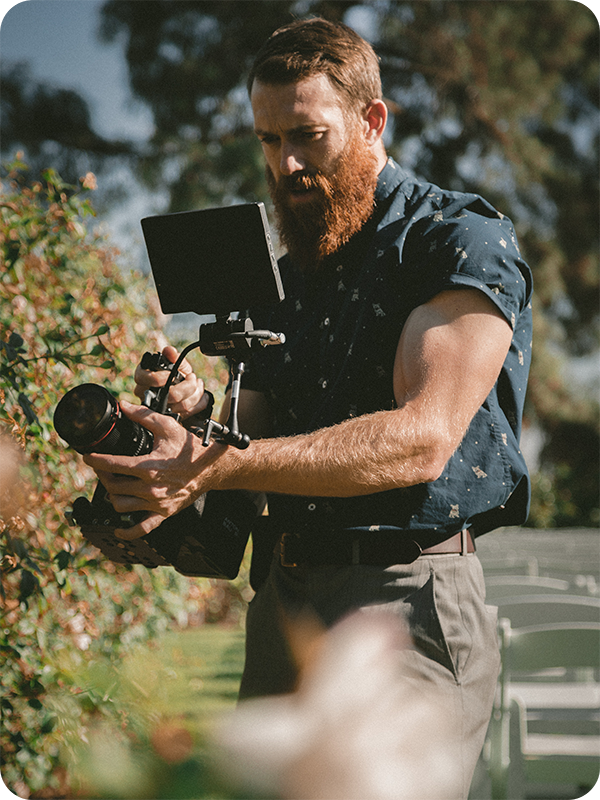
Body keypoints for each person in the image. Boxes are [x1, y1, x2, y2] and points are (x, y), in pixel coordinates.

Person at [84, 18, 533, 798]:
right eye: (266, 140)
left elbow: (421, 440)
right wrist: (190, 416)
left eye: (307, 135)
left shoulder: (455, 240)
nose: (283, 164)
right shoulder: (292, 272)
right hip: (282, 598)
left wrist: (218, 463)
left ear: (372, 120)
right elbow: (256, 440)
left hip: (403, 599)